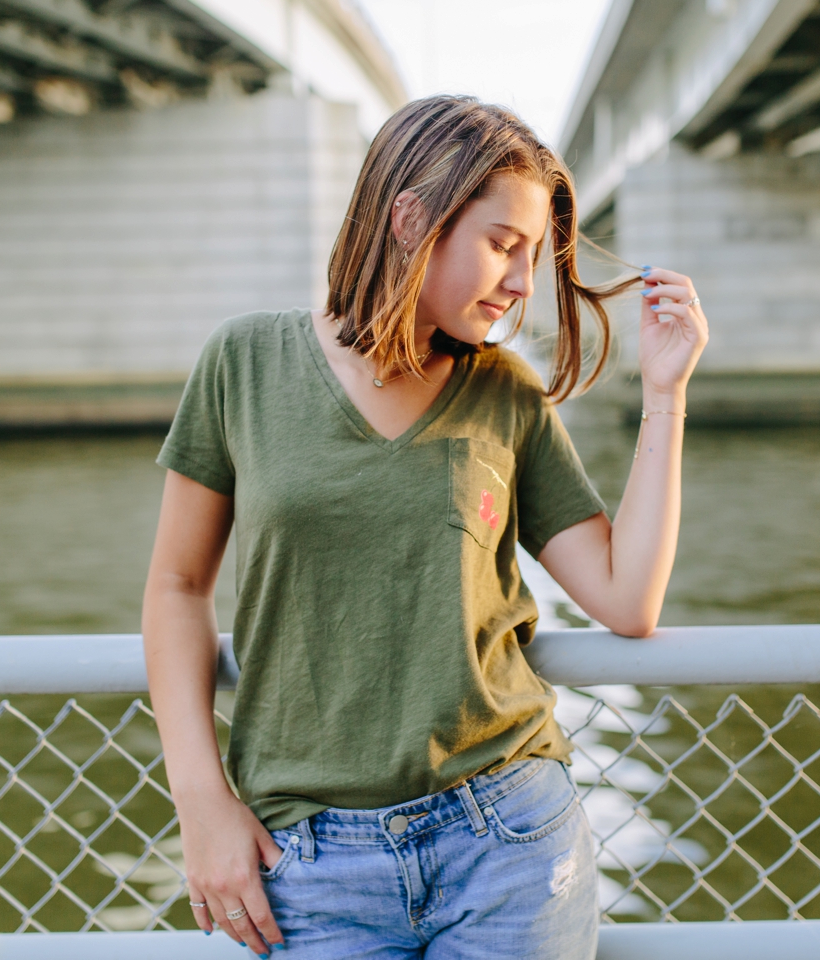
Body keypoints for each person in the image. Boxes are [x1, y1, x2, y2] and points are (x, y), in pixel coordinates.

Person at [141, 95, 708, 959]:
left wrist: (665, 396)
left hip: (507, 839)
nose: (522, 284)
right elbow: (178, 588)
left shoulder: (506, 394)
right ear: (410, 218)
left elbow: (628, 600)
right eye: (502, 245)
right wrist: (201, 802)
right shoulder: (244, 363)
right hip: (308, 858)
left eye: (532, 256)